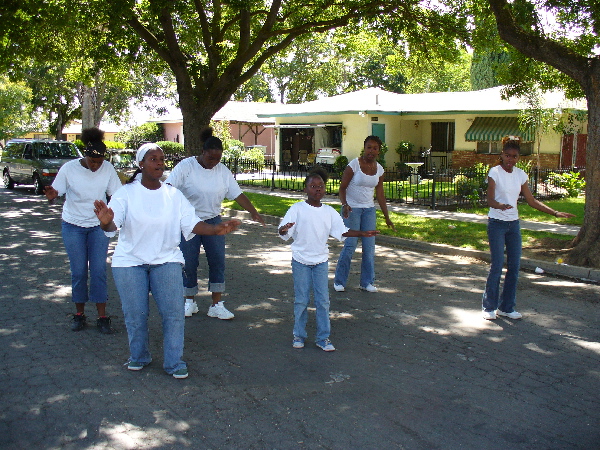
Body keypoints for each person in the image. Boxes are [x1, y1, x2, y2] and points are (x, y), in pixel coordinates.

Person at [93, 143, 241, 378]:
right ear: (141, 164)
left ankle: (174, 361)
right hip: (130, 262)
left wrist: (216, 229)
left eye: (162, 159)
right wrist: (105, 222)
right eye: (153, 159)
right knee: (136, 315)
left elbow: (192, 223)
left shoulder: (173, 195)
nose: (159, 163)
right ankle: (139, 356)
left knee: (173, 314)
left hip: (167, 259)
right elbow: (112, 226)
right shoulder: (126, 193)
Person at [166, 128, 265, 320]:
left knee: (217, 261)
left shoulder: (222, 171)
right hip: (189, 221)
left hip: (213, 220)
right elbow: (168, 188)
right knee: (188, 262)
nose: (214, 162)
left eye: (218, 159)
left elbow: (237, 194)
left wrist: (253, 212)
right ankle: (189, 301)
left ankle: (216, 304)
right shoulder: (186, 166)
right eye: (211, 158)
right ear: (202, 152)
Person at [279, 167, 379, 351]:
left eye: (321, 186)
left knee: (323, 301)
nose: (317, 189)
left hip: (320, 262)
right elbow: (284, 231)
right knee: (301, 300)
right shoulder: (297, 209)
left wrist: (362, 233)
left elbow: (342, 231)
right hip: (300, 260)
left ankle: (323, 338)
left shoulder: (329, 211)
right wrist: (283, 229)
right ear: (305, 189)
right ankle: (299, 335)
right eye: (313, 186)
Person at [482, 138, 575, 320]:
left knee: (514, 266)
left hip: (513, 225)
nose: (510, 159)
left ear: (518, 158)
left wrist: (555, 213)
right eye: (507, 155)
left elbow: (531, 200)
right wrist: (500, 206)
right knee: (497, 265)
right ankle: (489, 307)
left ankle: (506, 307)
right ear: (502, 155)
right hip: (497, 223)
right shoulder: (495, 172)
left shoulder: (520, 175)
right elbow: (490, 200)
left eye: (514, 156)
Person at [44, 127, 122, 333]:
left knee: (98, 271)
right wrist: (52, 195)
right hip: (73, 225)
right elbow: (56, 191)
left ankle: (102, 316)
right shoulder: (69, 169)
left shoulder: (107, 169)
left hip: (98, 226)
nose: (96, 166)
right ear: (85, 156)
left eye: (99, 162)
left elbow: (118, 195)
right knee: (78, 271)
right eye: (92, 161)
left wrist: (114, 214)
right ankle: (79, 314)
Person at [333, 135, 395, 293]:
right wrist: (345, 205)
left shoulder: (379, 169)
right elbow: (342, 188)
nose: (371, 151)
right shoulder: (354, 165)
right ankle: (339, 281)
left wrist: (387, 217)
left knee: (369, 247)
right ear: (364, 148)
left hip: (369, 210)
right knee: (350, 245)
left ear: (379, 151)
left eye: (375, 148)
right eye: (369, 147)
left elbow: (380, 194)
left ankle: (367, 282)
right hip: (351, 209)